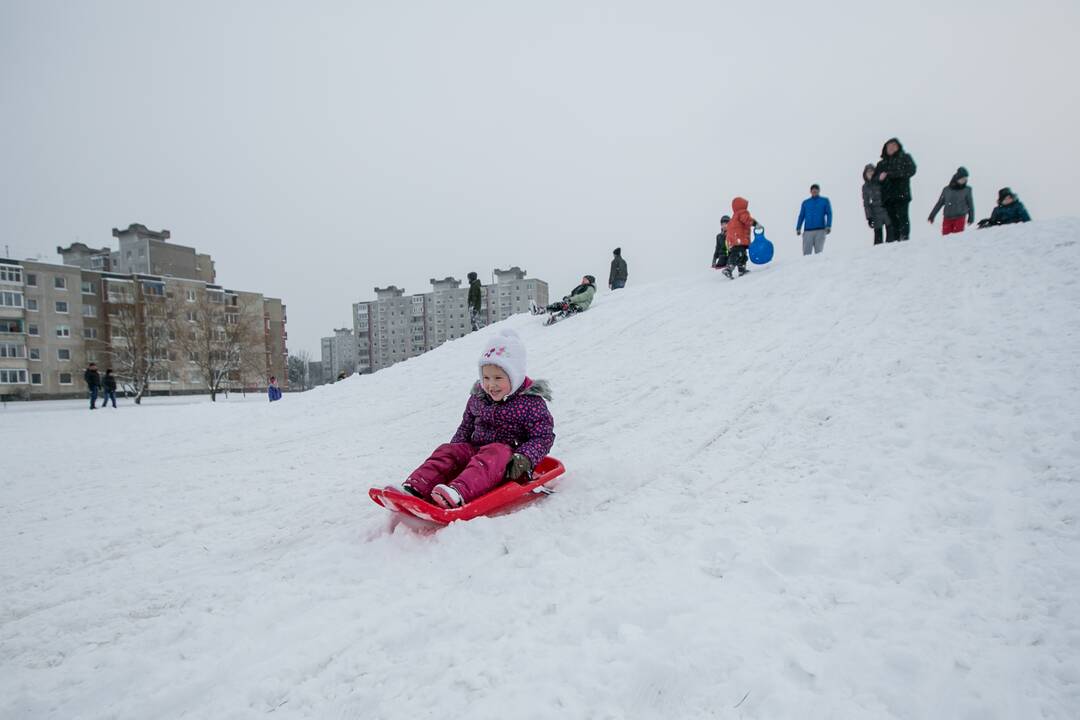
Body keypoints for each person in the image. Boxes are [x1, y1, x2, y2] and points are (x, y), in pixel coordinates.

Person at [396, 329, 555, 509]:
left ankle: (457, 493)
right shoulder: (478, 397)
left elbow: (543, 437)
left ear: (515, 376)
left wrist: (524, 458)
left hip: (507, 462)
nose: (491, 385)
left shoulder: (530, 403)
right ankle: (416, 487)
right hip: (475, 451)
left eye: (498, 378)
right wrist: (455, 451)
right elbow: (465, 428)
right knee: (447, 451)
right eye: (486, 377)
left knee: (495, 452)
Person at [874, 137, 917, 242]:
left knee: (903, 216)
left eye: (894, 146)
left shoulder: (905, 158)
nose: (891, 148)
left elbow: (911, 170)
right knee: (893, 220)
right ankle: (896, 240)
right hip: (887, 196)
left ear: (898, 147)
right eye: (889, 146)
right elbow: (874, 179)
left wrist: (892, 174)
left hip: (902, 193)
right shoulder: (881, 163)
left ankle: (904, 237)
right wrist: (880, 178)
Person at [928, 167, 975, 235]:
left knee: (957, 238)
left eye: (965, 179)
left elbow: (970, 204)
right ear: (957, 178)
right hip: (947, 218)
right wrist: (932, 215)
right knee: (946, 239)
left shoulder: (967, 190)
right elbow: (939, 203)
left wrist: (971, 217)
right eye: (962, 179)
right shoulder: (946, 190)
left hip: (960, 217)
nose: (964, 181)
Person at [722, 197, 757, 279]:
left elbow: (729, 231)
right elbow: (747, 219)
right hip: (739, 239)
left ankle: (742, 269)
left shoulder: (734, 216)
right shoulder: (742, 212)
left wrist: (730, 242)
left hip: (735, 240)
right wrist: (755, 223)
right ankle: (729, 268)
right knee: (738, 254)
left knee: (743, 255)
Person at [796, 184, 833, 255]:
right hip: (808, 231)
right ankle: (805, 266)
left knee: (819, 253)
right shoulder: (806, 203)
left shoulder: (824, 201)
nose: (814, 191)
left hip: (820, 230)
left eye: (816, 189)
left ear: (819, 191)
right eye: (813, 190)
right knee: (806, 254)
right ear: (810, 191)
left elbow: (829, 213)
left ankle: (819, 266)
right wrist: (798, 228)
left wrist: (829, 225)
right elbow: (801, 216)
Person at [861, 164, 890, 245]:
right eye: (868, 172)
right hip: (876, 214)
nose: (870, 173)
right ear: (865, 174)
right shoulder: (865, 187)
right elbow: (866, 203)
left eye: (872, 171)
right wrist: (869, 217)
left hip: (887, 211)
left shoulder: (881, 181)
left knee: (891, 239)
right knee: (878, 242)